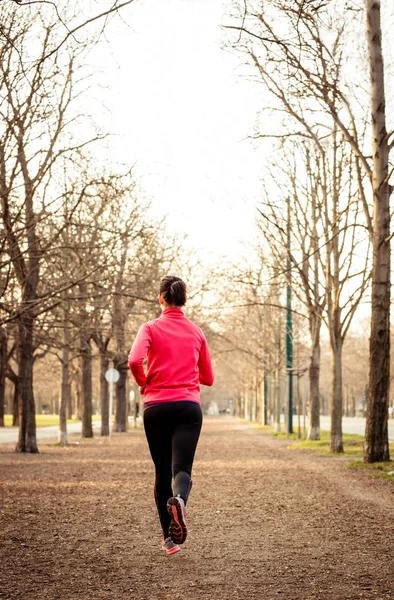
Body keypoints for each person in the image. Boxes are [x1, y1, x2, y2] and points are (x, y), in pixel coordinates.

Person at [128, 275, 214, 555]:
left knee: (162, 470)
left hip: (156, 407)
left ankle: (169, 539)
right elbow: (209, 378)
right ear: (184, 300)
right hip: (188, 406)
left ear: (160, 298)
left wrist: (144, 382)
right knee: (182, 470)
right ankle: (179, 499)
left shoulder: (150, 328)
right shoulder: (197, 332)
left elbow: (133, 360)